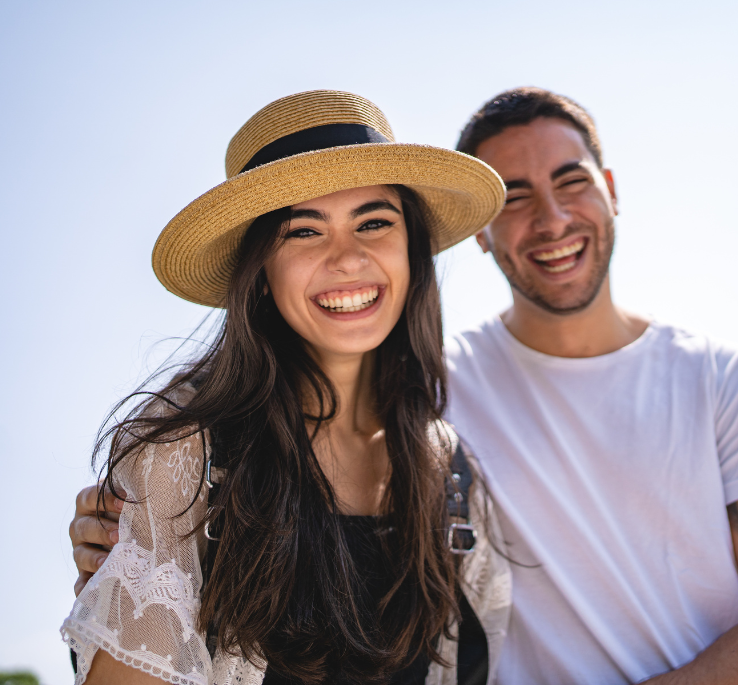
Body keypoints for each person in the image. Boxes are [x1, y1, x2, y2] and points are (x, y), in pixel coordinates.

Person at [72, 87, 738, 684]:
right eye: (303, 230)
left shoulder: (708, 380)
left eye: (571, 179)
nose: (549, 218)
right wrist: (138, 530)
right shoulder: (423, 399)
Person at [61, 90, 512, 685]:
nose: (348, 258)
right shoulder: (185, 452)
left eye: (374, 222)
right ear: (261, 275)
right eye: (304, 231)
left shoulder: (450, 470)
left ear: (413, 250)